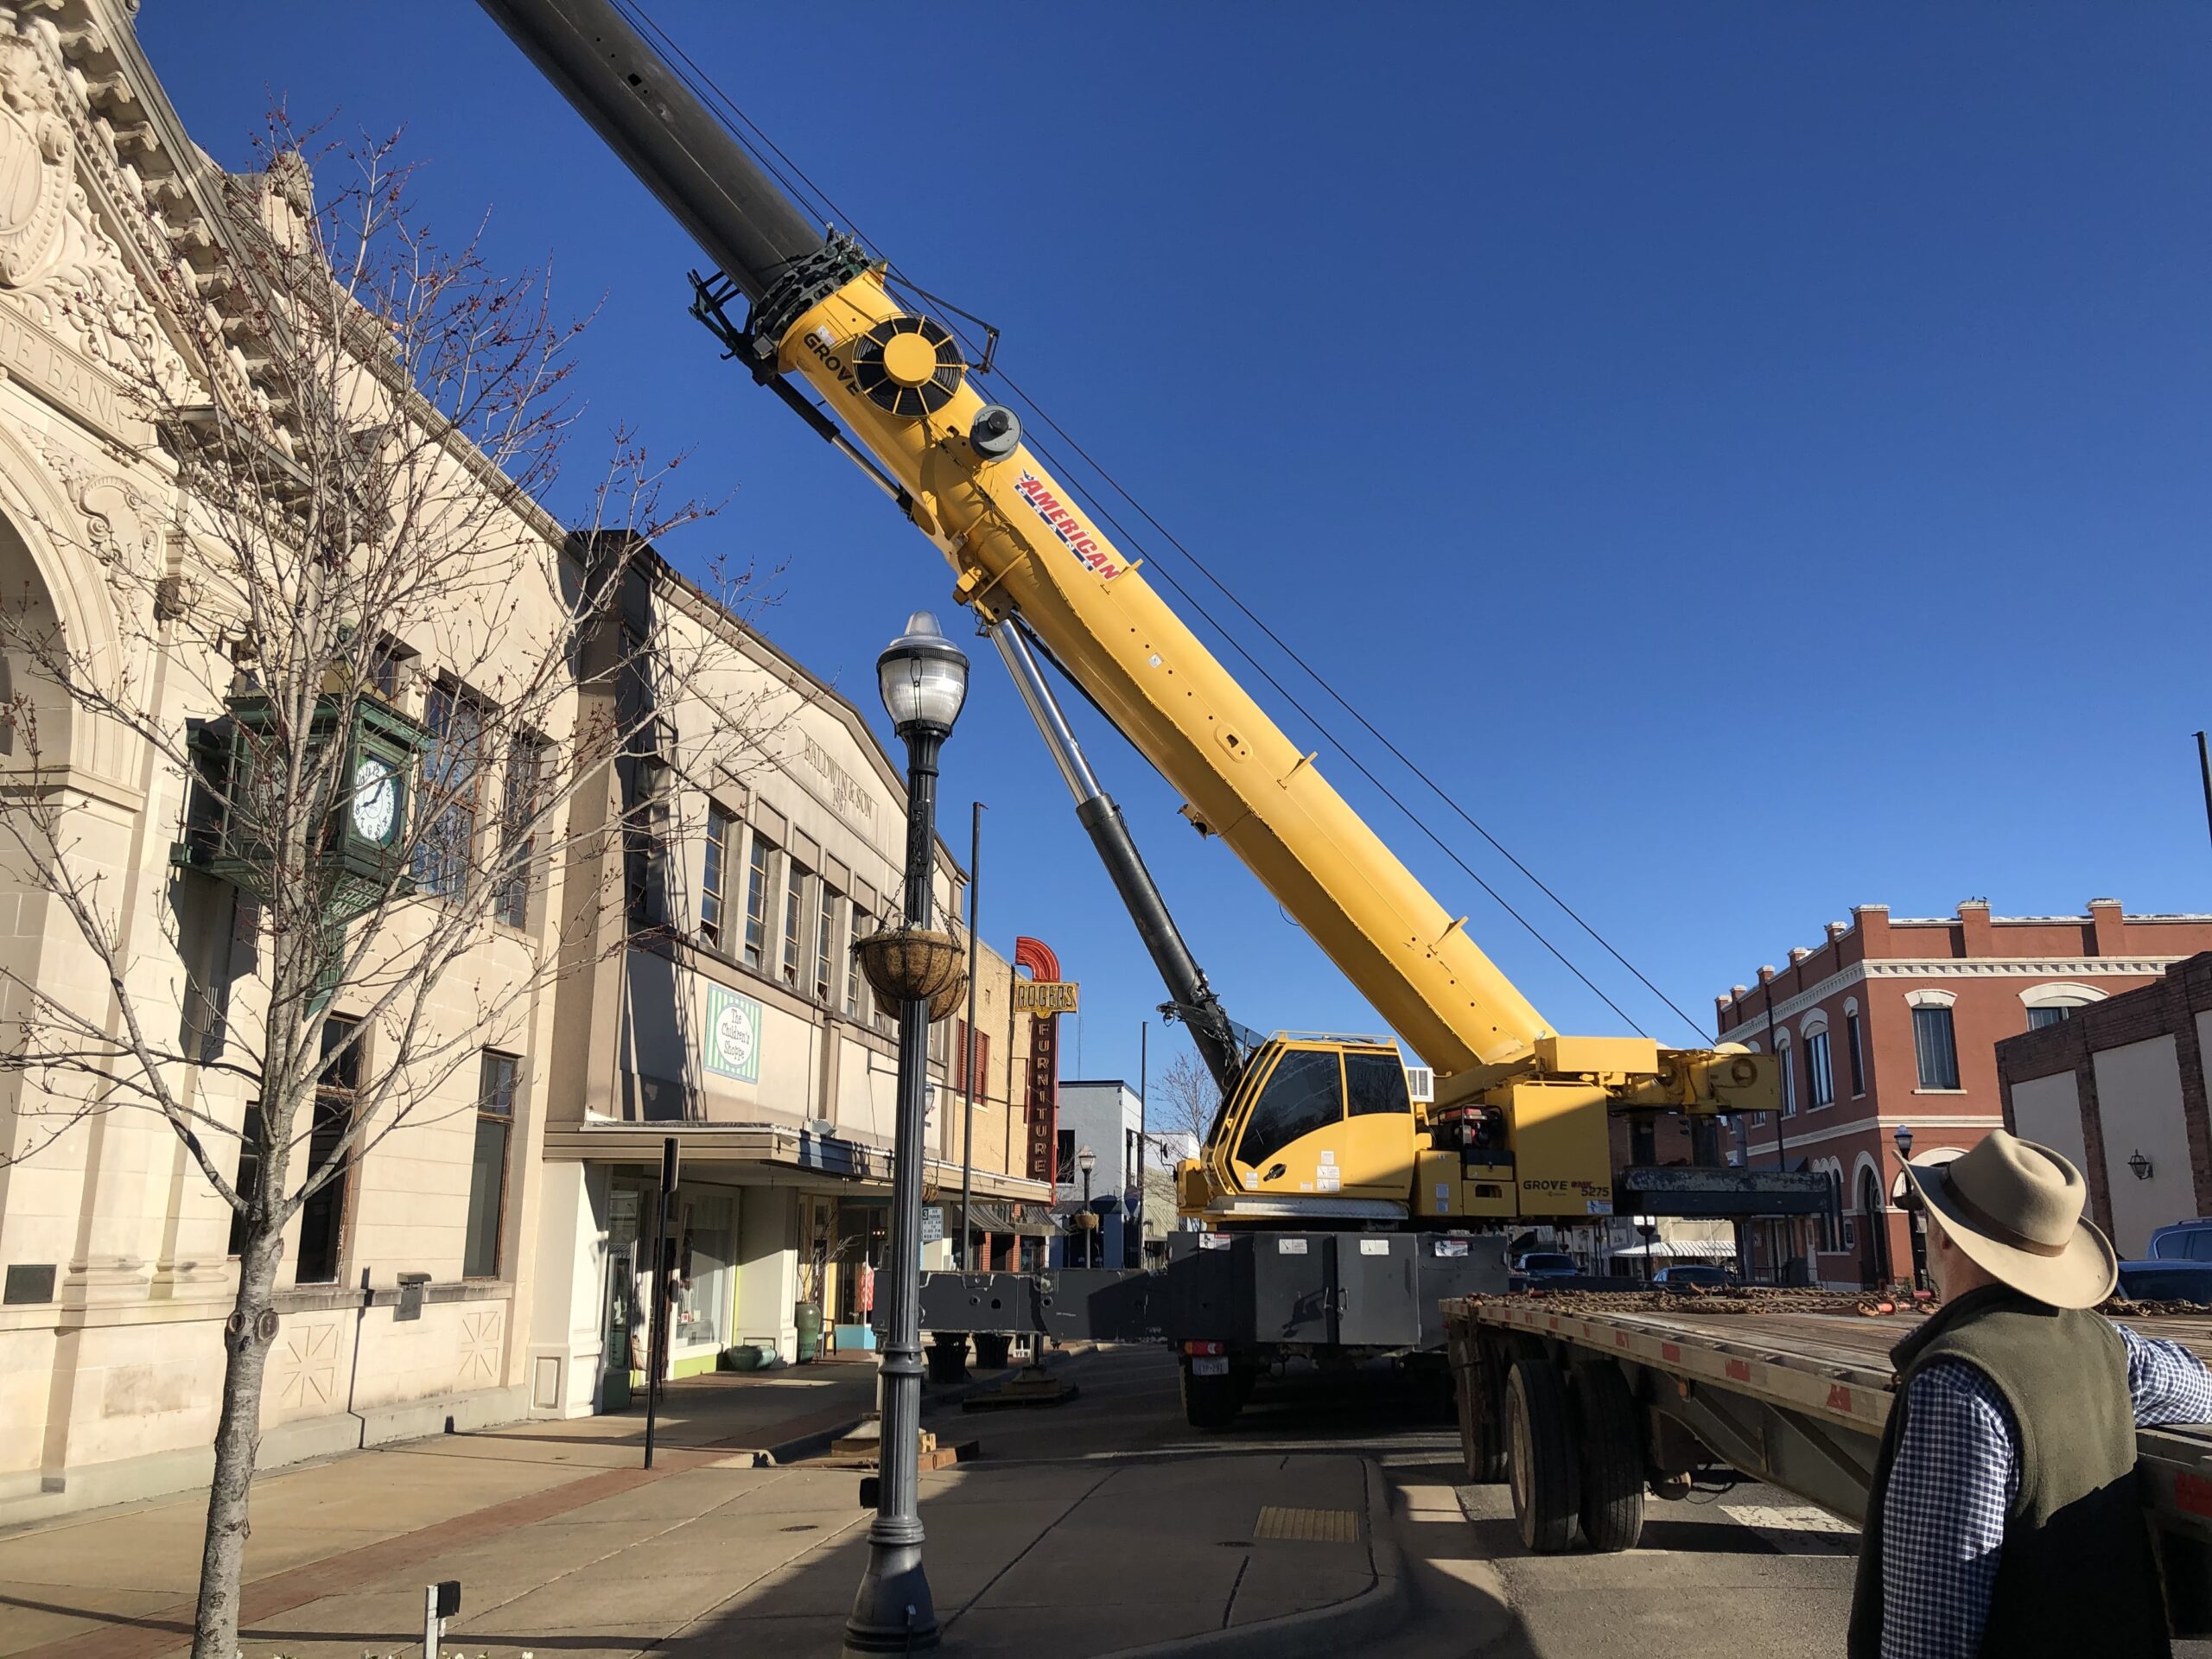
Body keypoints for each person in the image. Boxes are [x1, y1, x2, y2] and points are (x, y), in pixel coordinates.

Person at [1849, 1130, 2212, 1659]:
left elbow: (1929, 1632)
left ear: (1946, 1237)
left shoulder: (1956, 1383)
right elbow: (2200, 1390)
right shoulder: (2109, 1344)